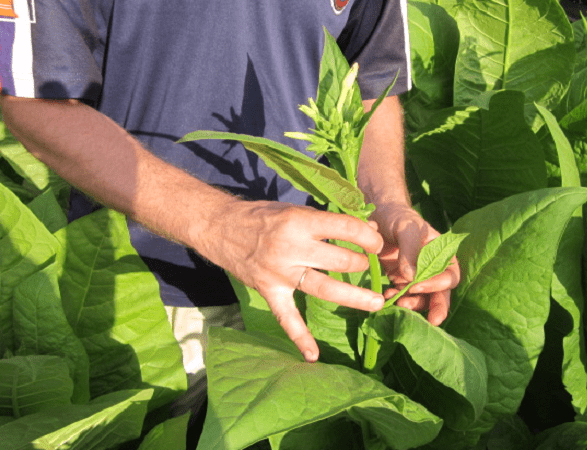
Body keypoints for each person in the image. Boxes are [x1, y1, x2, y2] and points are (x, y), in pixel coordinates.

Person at [0, 1, 459, 372]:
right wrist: (222, 224)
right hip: (146, 297)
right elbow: (33, 100)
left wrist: (388, 205)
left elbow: (369, 83)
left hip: (317, 291)